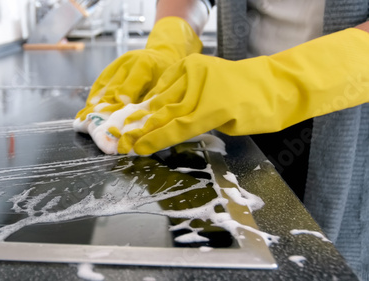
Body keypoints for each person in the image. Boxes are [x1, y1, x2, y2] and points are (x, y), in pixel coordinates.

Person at [74, 0, 369, 279]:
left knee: (311, 261)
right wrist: (170, 42)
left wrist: (278, 80)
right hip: (232, 105)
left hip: (346, 121)